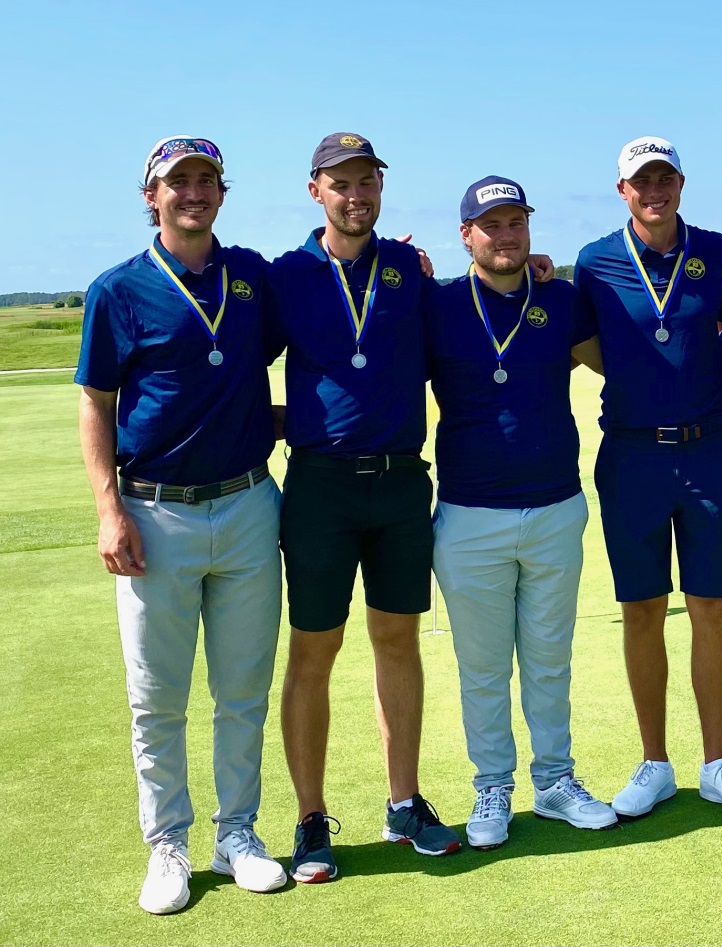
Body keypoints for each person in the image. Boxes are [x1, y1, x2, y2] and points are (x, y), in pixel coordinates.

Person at [77, 136, 286, 914]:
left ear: (222, 193)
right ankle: (168, 844)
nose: (193, 192)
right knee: (156, 697)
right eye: (178, 182)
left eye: (207, 180)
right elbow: (96, 403)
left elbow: (322, 302)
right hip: (153, 513)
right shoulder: (118, 289)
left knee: (243, 690)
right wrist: (108, 508)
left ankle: (238, 834)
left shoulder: (252, 276)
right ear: (152, 196)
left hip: (248, 504)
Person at [264, 132, 459, 881]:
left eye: (367, 181)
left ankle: (403, 802)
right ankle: (311, 818)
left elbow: (465, 322)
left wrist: (535, 268)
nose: (356, 195)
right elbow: (237, 366)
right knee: (314, 650)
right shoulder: (286, 276)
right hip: (321, 488)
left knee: (398, 641)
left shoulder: (409, 270)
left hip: (402, 484)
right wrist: (285, 422)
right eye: (341, 183)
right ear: (315, 190)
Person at [573, 137, 722, 818]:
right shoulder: (594, 261)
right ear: (622, 190)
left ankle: (716, 763)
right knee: (643, 608)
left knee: (712, 605)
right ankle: (654, 762)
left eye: (665, 179)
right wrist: (639, 372)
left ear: (681, 184)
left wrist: (700, 371)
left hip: (708, 451)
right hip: (631, 456)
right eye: (641, 181)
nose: (654, 190)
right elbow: (579, 338)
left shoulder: (713, 249)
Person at [424, 176, 614, 850]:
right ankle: (493, 786)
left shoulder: (560, 298)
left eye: (516, 222)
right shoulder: (438, 304)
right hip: (469, 515)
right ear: (466, 234)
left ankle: (556, 780)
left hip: (556, 506)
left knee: (549, 660)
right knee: (482, 669)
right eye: (491, 224)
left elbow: (615, 359)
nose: (506, 235)